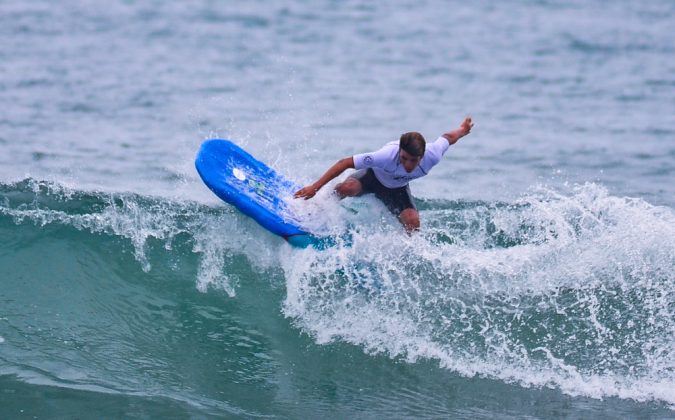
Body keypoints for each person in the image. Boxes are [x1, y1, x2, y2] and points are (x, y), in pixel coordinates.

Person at [294, 117, 474, 232]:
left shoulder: (432, 154)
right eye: (404, 158)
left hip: (397, 188)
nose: (407, 164)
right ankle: (318, 208)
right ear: (400, 150)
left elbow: (448, 138)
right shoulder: (386, 156)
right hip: (372, 179)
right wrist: (314, 188)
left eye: (413, 160)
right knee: (347, 187)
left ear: (422, 155)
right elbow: (345, 163)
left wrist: (463, 130)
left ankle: (406, 257)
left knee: (413, 222)